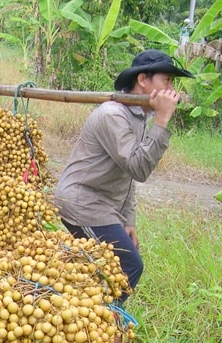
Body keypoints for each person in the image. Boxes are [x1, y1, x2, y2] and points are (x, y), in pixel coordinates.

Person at [54, 49, 194, 302]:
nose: (172, 89)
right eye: (167, 81)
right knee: (128, 265)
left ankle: (81, 317)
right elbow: (139, 168)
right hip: (81, 202)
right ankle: (101, 323)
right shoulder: (113, 114)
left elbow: (127, 176)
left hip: (103, 204)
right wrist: (162, 121)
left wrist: (128, 220)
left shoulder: (139, 115)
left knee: (99, 269)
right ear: (143, 80)